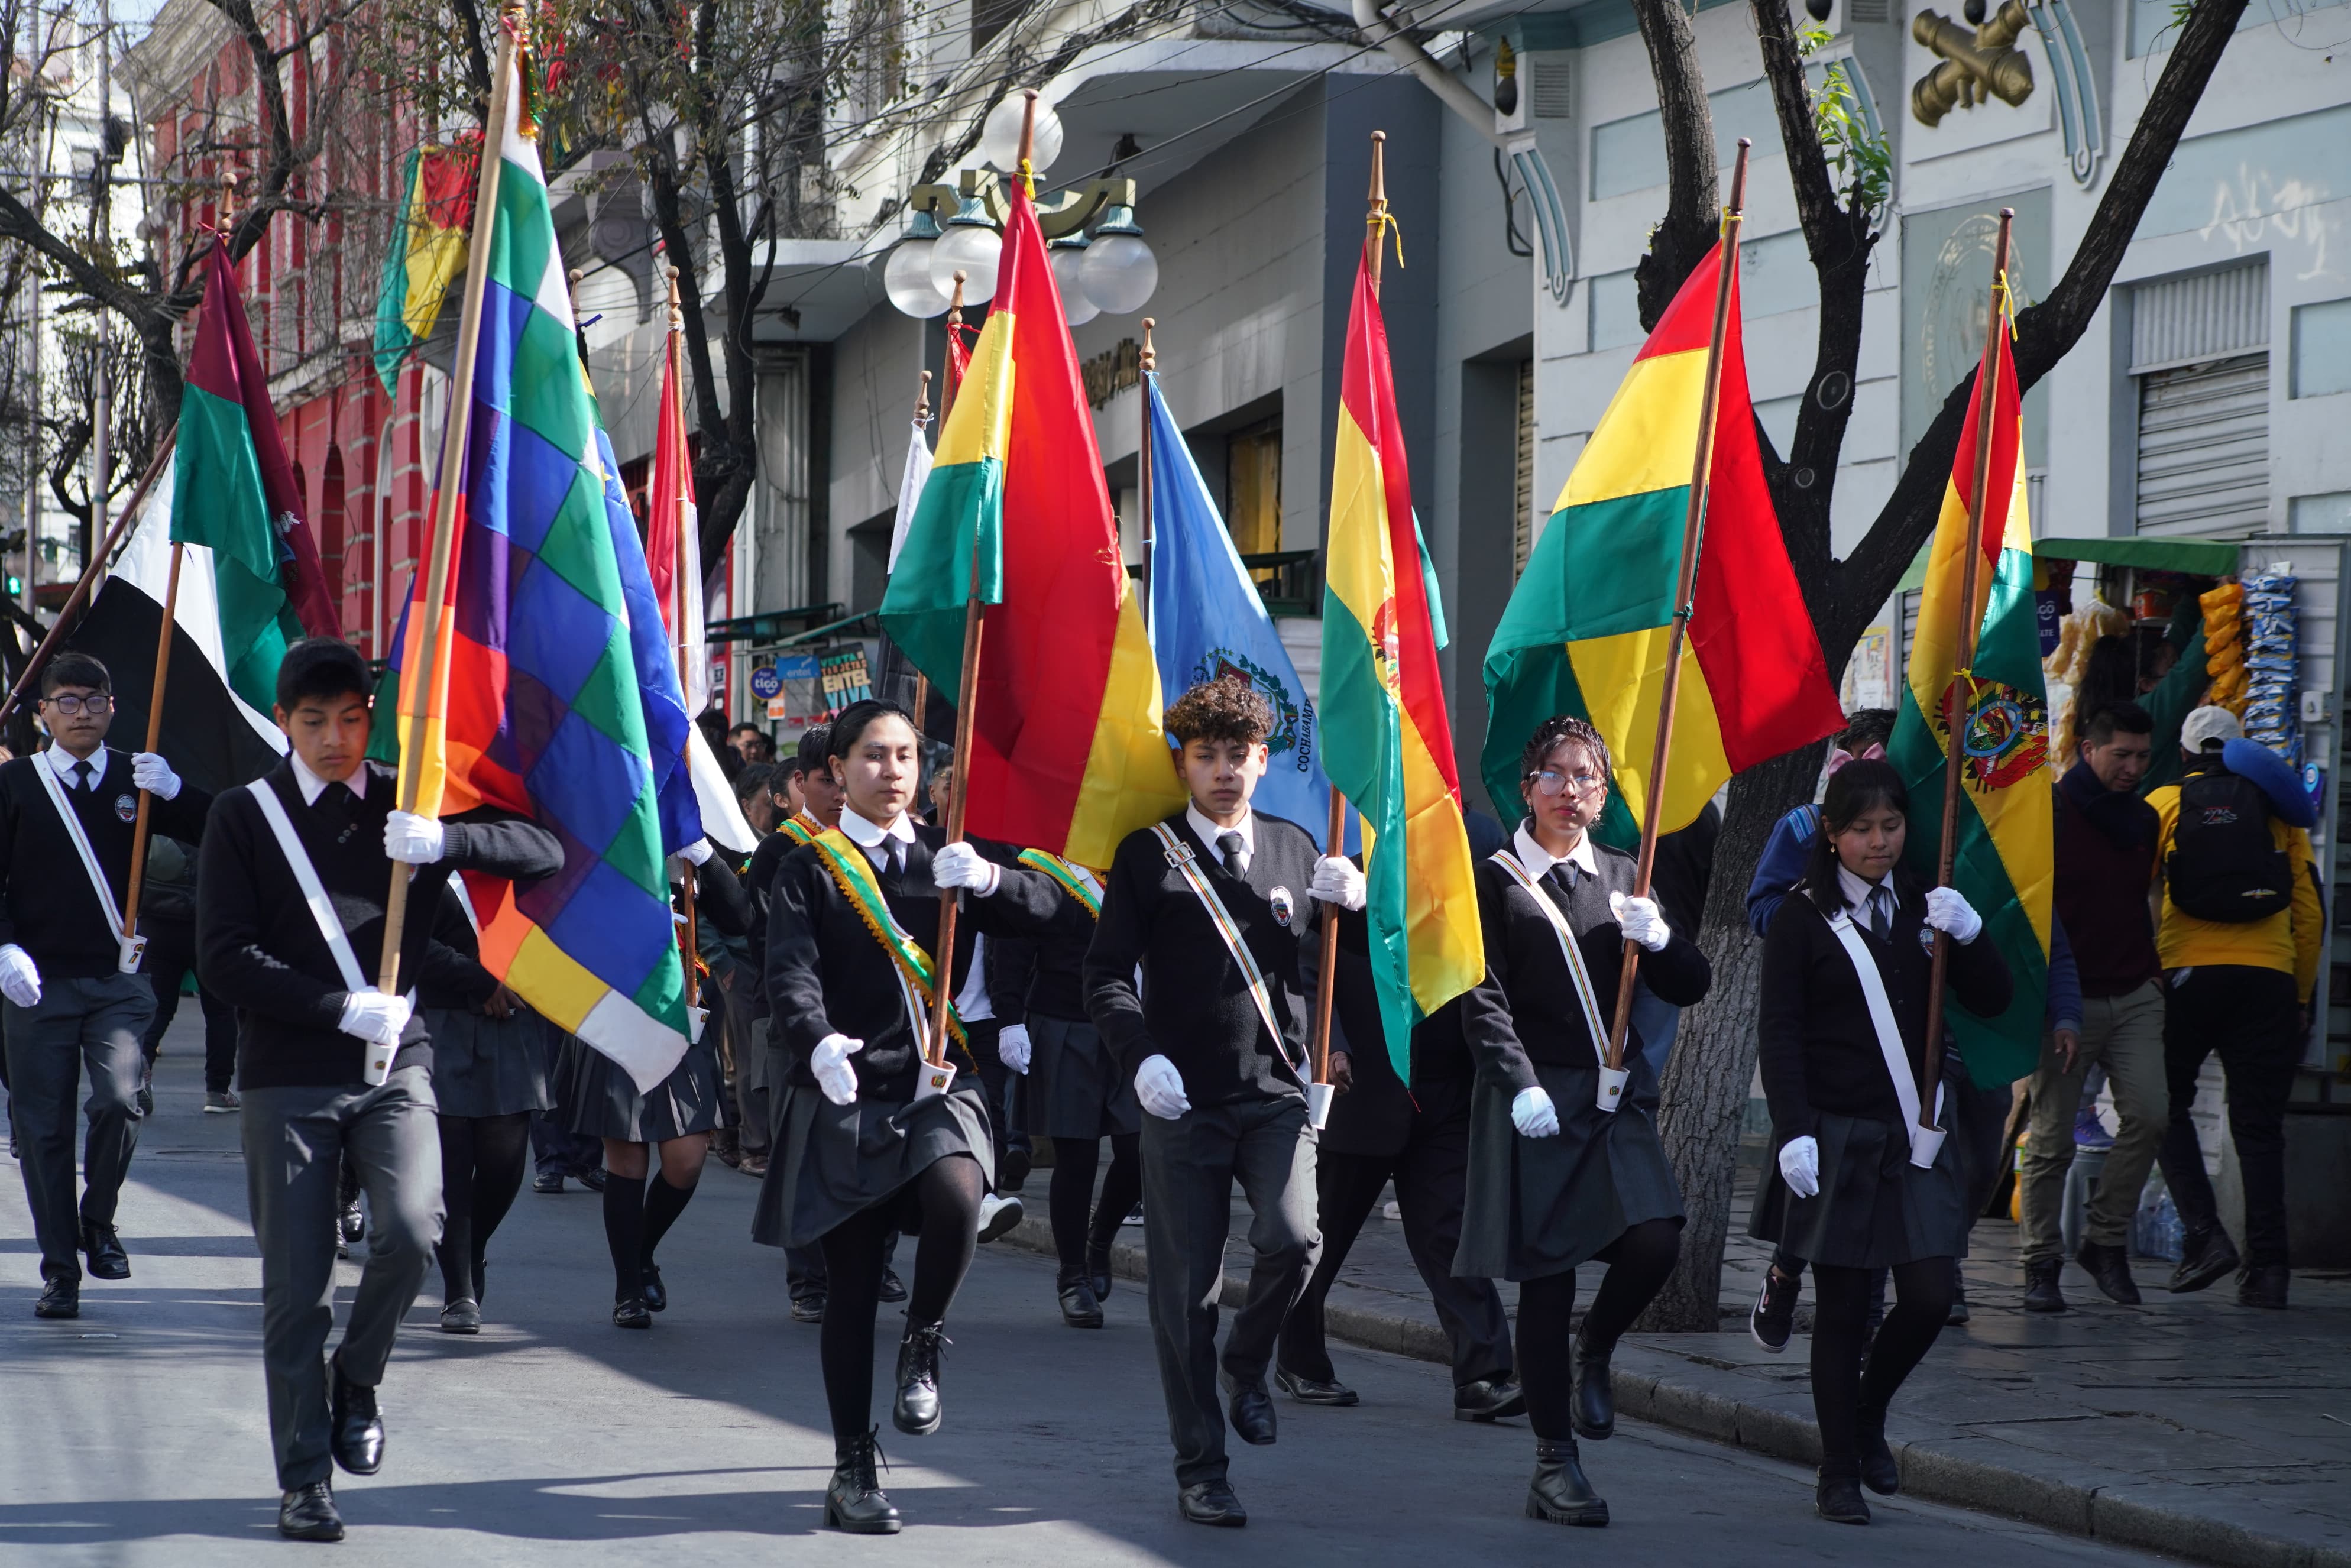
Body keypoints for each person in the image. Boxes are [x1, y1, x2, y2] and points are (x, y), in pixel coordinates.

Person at [196, 637, 561, 1541]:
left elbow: (543, 848)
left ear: (372, 718)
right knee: (298, 1290)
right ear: (282, 722)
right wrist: (337, 1007)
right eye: (314, 721)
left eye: (351, 720)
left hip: (397, 1071)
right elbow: (222, 959)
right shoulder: (245, 816)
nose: (334, 739)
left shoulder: (407, 799)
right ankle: (304, 1478)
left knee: (408, 1233)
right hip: (288, 1076)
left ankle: (357, 1377)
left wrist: (451, 838)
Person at [758, 699, 1060, 1534]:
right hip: (851, 1090)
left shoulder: (946, 857)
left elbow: (1064, 912)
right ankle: (853, 1466)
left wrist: (995, 881)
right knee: (852, 1286)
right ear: (839, 770)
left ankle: (925, 1336)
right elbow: (789, 971)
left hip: (938, 1084)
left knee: (962, 1195)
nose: (891, 771)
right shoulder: (811, 868)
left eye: (904, 757)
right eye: (872, 756)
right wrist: (815, 1041)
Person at [1083, 678, 1361, 1530]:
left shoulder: (1296, 845)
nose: (1225, 771)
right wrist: (1141, 1059)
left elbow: (1313, 972)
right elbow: (1103, 977)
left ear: (1264, 760)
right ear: (1183, 763)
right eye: (1206, 756)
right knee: (1185, 1296)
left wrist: (1351, 911)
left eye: (1239, 755)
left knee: (1297, 1236)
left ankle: (1251, 1363)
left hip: (1275, 1093)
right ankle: (1201, 1466)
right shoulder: (1146, 854)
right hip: (1181, 1103)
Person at [1456, 717, 1707, 1528]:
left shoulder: (1627, 873)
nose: (1573, 791)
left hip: (1610, 1097)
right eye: (1557, 776)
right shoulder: (1493, 881)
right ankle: (1553, 1462)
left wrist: (1661, 937)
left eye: (1588, 779)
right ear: (1526, 787)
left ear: (1605, 796)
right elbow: (1479, 994)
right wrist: (1518, 1080)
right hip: (1532, 1098)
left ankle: (1593, 1347)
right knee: (1546, 1273)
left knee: (1657, 1237)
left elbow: (1693, 982)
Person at [1751, 759, 2009, 1527]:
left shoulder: (1925, 907)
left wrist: (1971, 933)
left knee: (1929, 1296)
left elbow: (1992, 998)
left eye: (1891, 827)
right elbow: (1782, 1032)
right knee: (1844, 1306)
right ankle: (1837, 1470)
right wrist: (1793, 1130)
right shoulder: (1803, 915)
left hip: (1916, 1134)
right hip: (1834, 1132)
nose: (1878, 842)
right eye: (1861, 829)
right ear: (1830, 836)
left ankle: (1867, 1416)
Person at [1277, 809, 1522, 1421]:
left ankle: (1483, 1374)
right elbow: (1311, 970)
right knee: (1319, 1236)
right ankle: (1296, 1358)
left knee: (1449, 1234)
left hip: (1445, 1091)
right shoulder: (1350, 881)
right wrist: (1326, 1043)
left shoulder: (1480, 874)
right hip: (1364, 1086)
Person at [0, 651, 213, 1319]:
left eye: (95, 700)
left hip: (119, 979)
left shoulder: (136, 777)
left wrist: (179, 792)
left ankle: (99, 1218)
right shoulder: (17, 786)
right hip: (36, 985)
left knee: (121, 1100)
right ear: (43, 714)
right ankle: (61, 1269)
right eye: (67, 701)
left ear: (113, 708)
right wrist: (4, 945)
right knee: (42, 1131)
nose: (82, 712)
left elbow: (227, 833)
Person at [2148, 705, 2321, 1310]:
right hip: (2267, 978)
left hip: (2188, 973)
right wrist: (2298, 997)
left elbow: (2129, 892)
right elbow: (2309, 915)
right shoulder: (2279, 814)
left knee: (2161, 1106)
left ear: (2186, 751)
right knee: (2258, 1128)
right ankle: (2268, 1271)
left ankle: (2205, 1235)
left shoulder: (2166, 805)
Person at [555, 837, 749, 1327]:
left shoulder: (687, 853)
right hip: (615, 1010)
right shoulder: (598, 835)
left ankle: (642, 1251)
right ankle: (627, 1288)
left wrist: (704, 855)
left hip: (680, 1018)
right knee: (628, 1156)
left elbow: (742, 919)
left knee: (686, 1161)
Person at [2019, 702, 2167, 1312]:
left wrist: (2155, 974)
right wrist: (2050, 1001)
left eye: (2141, 756)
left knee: (2152, 1114)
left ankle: (2104, 1241)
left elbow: (2145, 897)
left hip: (2134, 991)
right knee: (2051, 1139)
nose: (2132, 768)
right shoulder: (2050, 813)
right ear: (2087, 750)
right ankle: (2039, 1261)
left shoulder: (2145, 819)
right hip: (2066, 998)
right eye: (2120, 755)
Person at [989, 843, 1138, 1327]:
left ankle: (1099, 1239)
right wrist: (1010, 1018)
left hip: (1133, 1025)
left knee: (1140, 1150)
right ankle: (1072, 1274)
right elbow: (1012, 947)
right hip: (1064, 1020)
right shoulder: (1043, 867)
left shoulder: (1135, 860)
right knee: (1076, 1157)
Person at [416, 886, 549, 1333]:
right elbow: (407, 939)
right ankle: (458, 1291)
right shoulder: (422, 857)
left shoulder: (520, 858)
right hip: (440, 1018)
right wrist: (479, 982)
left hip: (513, 1014)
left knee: (503, 1162)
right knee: (449, 1163)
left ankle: (473, 1244)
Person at [136, 832, 241, 1115]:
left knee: (158, 1006)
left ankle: (141, 1068)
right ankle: (217, 1091)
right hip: (209, 927)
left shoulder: (158, 806)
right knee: (220, 1010)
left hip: (157, 923)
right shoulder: (219, 814)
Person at [1629, 799, 1718, 1080]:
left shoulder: (1621, 803)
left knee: (1643, 1058)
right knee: (1647, 1059)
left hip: (1665, 945)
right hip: (1665, 942)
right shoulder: (1700, 807)